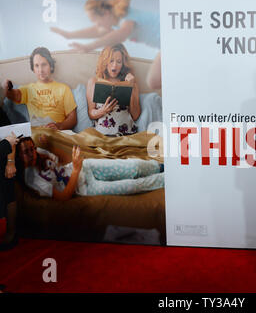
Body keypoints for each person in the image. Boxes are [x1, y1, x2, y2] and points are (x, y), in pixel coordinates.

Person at [50, 0, 162, 90]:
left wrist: (90, 46)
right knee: (153, 82)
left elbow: (121, 35)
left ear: (106, 13)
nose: (97, 26)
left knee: (153, 81)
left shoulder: (127, 18)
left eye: (97, 22)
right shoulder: (116, 20)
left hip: (171, 38)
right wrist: (69, 35)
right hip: (165, 45)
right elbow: (98, 31)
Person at [15, 136, 164, 201]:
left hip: (85, 167)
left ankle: (160, 167)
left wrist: (50, 145)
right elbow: (64, 197)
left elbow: (60, 160)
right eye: (26, 151)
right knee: (132, 185)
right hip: (85, 187)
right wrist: (75, 170)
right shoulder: (32, 179)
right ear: (18, 156)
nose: (32, 153)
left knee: (133, 166)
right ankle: (166, 178)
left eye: (32, 148)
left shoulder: (39, 153)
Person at [1, 47, 77, 130]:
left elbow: (72, 118)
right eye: (36, 66)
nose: (41, 70)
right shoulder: (28, 89)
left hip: (57, 132)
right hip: (37, 134)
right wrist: (6, 86)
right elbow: (10, 94)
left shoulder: (63, 88)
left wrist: (59, 126)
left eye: (44, 64)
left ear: (51, 66)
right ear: (33, 69)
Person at [86, 43, 140, 136]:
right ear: (105, 62)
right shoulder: (93, 82)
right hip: (102, 135)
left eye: (118, 62)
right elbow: (91, 113)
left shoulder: (131, 81)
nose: (114, 66)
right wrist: (102, 111)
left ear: (123, 64)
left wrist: (131, 87)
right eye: (111, 61)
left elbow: (135, 116)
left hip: (126, 135)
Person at [0, 107, 19, 250]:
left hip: (3, 158)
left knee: (8, 180)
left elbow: (12, 136)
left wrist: (10, 163)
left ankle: (11, 233)